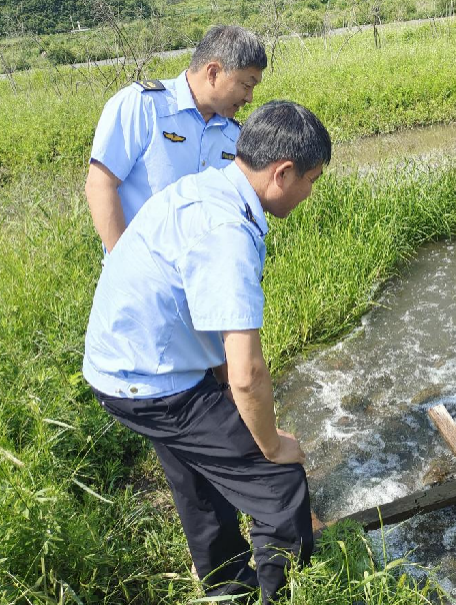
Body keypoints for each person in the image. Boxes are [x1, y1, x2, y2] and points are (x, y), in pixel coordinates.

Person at [83, 100, 331, 603]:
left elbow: (211, 332)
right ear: (283, 173)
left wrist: (224, 394)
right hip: (151, 382)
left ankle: (226, 588)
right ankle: (278, 596)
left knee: (198, 478)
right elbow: (246, 372)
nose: (311, 193)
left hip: (120, 366)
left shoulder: (207, 187)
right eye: (312, 180)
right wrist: (273, 446)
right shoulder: (227, 233)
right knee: (280, 487)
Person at [85, 25, 267, 252]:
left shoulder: (234, 135)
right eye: (246, 85)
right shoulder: (144, 106)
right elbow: (100, 185)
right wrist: (125, 264)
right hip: (143, 278)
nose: (249, 98)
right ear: (213, 73)